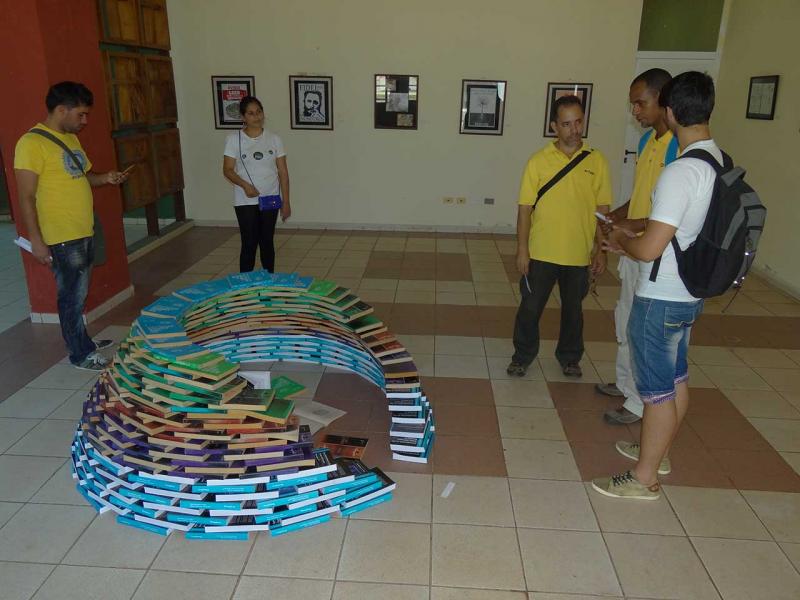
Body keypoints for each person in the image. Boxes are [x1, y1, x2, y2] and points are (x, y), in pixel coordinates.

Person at [592, 71, 719, 500]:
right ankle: (656, 451)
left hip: (662, 295)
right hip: (688, 293)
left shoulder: (681, 172)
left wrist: (620, 239)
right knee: (677, 379)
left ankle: (645, 476)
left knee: (658, 392)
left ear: (670, 110)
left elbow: (649, 247)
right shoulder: (716, 160)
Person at [14, 81, 130, 371]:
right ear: (61, 110)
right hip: (61, 234)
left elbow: (81, 176)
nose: (85, 121)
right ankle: (79, 354)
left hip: (83, 228)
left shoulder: (69, 137)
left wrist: (107, 178)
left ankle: (84, 342)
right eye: (80, 115)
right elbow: (26, 197)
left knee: (79, 291)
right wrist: (36, 240)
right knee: (71, 295)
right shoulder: (31, 143)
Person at [507, 95, 611, 379]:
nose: (574, 129)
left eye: (578, 122)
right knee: (529, 309)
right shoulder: (538, 162)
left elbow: (602, 210)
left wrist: (600, 249)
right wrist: (522, 250)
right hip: (540, 252)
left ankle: (570, 357)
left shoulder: (596, 160)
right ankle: (522, 355)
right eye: (566, 124)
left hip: (577, 253)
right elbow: (525, 209)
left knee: (573, 312)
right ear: (554, 126)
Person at [597, 68, 679, 426]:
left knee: (641, 326)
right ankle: (624, 383)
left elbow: (672, 212)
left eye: (640, 103)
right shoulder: (648, 142)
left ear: (663, 100)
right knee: (625, 317)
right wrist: (615, 217)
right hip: (632, 246)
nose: (636, 112)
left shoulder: (680, 146)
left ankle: (636, 403)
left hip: (657, 252)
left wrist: (633, 226)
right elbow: (643, 198)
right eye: (633, 104)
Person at [223, 96, 291, 273]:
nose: (256, 117)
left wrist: (286, 202)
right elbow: (228, 170)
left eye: (259, 112)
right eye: (251, 113)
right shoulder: (233, 139)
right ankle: (246, 287)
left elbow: (283, 172)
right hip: (245, 200)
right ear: (243, 117)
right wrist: (245, 185)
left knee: (267, 242)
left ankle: (269, 281)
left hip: (270, 198)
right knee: (249, 243)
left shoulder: (274, 139)